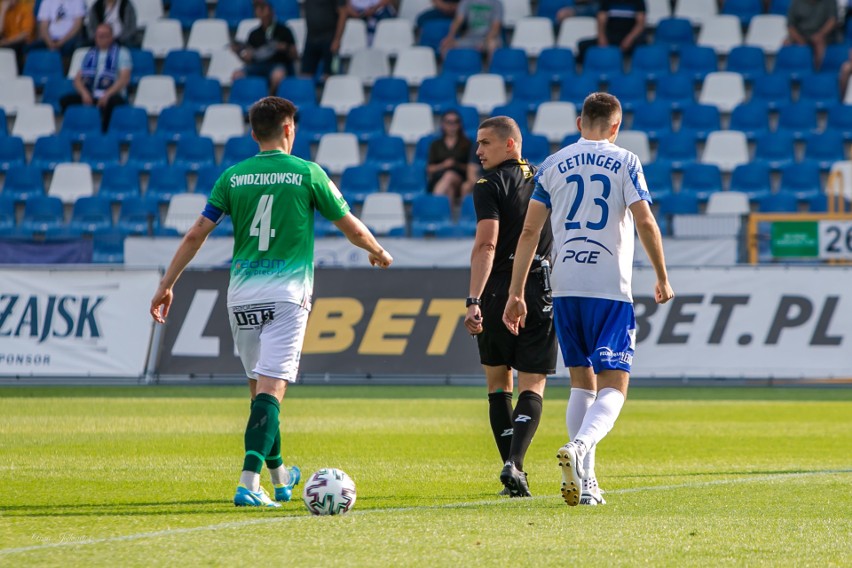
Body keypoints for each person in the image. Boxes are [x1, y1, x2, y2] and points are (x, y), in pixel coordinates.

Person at [150, 96, 393, 508]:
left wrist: (167, 283)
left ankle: (281, 478)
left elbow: (195, 233)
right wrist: (378, 251)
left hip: (241, 295)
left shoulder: (232, 177)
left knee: (261, 390)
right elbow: (350, 226)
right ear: (288, 129)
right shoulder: (307, 173)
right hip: (287, 295)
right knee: (272, 390)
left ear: (252, 133)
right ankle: (248, 483)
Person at [503, 92, 674, 507]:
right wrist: (662, 275)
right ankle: (580, 448)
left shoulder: (552, 164)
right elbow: (644, 219)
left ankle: (588, 482)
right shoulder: (626, 161)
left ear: (580, 122)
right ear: (615, 126)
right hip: (608, 286)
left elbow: (529, 233)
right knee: (615, 383)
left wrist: (515, 292)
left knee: (582, 381)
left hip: (564, 285)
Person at [464, 116, 557, 498]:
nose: (478, 150)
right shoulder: (546, 177)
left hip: (499, 287)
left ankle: (512, 470)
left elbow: (487, 244)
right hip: (541, 286)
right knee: (534, 382)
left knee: (498, 382)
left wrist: (473, 299)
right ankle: (515, 463)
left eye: (485, 142)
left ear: (510, 144)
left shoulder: (488, 184)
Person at [59, 23, 131, 132]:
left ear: (111, 37)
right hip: (91, 94)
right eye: (99, 36)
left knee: (114, 102)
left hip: (111, 94)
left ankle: (104, 132)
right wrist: (84, 93)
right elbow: (77, 80)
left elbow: (124, 79)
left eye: (105, 35)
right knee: (65, 100)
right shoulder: (88, 54)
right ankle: (77, 128)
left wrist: (107, 95)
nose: (102, 38)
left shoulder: (122, 53)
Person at [232, 0, 298, 94]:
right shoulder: (254, 34)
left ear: (272, 12)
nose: (264, 14)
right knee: (237, 75)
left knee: (278, 75)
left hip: (278, 64)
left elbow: (295, 55)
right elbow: (249, 59)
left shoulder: (284, 31)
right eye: (260, 10)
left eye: (265, 10)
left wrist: (285, 47)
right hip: (257, 66)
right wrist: (238, 53)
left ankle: (269, 101)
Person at [577, 0, 646, 63]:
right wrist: (602, 38)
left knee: (643, 48)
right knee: (583, 46)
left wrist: (629, 39)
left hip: (630, 37)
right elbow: (601, 19)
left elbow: (640, 24)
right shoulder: (607, 1)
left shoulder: (638, 2)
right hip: (612, 37)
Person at [426, 110, 472, 203]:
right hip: (439, 179)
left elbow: (472, 167)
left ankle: (435, 203)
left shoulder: (467, 144)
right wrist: (443, 165)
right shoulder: (436, 144)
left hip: (460, 179)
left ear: (459, 125)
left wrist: (456, 164)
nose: (452, 126)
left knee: (449, 175)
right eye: (449, 122)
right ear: (443, 125)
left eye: (455, 122)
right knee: (449, 190)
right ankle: (447, 216)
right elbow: (429, 169)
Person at [302, 0, 347, 80]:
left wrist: (337, 39)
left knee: (330, 77)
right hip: (310, 38)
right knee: (305, 77)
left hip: (329, 39)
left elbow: (343, 14)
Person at [785, 0, 838, 68]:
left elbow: (832, 21)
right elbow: (790, 26)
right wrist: (800, 40)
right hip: (801, 34)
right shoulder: (796, 2)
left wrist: (820, 34)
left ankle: (816, 71)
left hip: (821, 34)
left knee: (819, 42)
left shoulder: (830, 1)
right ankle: (788, 71)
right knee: (786, 43)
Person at [0, 0, 35, 70]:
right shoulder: (2, 8)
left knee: (14, 48)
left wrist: (7, 42)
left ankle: (17, 74)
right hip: (6, 41)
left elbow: (25, 34)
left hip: (21, 42)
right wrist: (3, 11)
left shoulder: (25, 9)